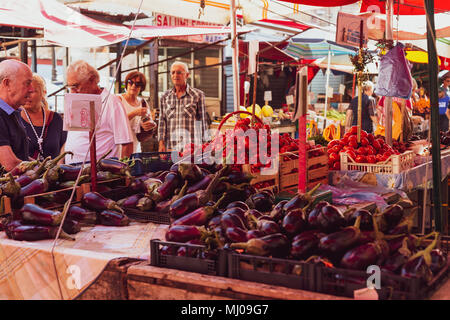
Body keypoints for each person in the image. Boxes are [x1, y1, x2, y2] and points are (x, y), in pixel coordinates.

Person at [64, 60, 133, 164]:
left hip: (98, 174)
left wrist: (124, 173)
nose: (72, 92)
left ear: (92, 80)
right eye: (70, 87)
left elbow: (126, 143)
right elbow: (73, 138)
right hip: (71, 171)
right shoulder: (77, 100)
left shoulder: (112, 103)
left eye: (76, 86)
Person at [158, 61, 209, 152]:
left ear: (187, 75)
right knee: (172, 167)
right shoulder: (165, 96)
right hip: (172, 147)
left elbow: (203, 121)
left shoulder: (198, 95)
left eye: (179, 72)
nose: (175, 75)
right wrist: (161, 143)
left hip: (192, 147)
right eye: (173, 72)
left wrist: (205, 144)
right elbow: (162, 121)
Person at [20, 74, 67, 160]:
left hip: (54, 172)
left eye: (31, 92)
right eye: (23, 91)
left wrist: (58, 168)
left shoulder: (56, 119)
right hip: (25, 172)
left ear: (43, 93)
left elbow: (64, 147)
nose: (26, 96)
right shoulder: (15, 119)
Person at [0, 59, 34, 171]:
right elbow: (10, 164)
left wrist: (43, 164)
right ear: (7, 83)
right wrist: (42, 169)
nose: (31, 89)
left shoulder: (13, 113)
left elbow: (21, 157)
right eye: (27, 83)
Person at [117, 71, 156, 153]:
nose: (133, 86)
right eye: (130, 82)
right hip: (118, 148)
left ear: (141, 87)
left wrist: (151, 124)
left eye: (138, 84)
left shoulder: (143, 102)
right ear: (126, 84)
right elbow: (116, 122)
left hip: (135, 148)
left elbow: (148, 121)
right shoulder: (118, 99)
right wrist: (135, 113)